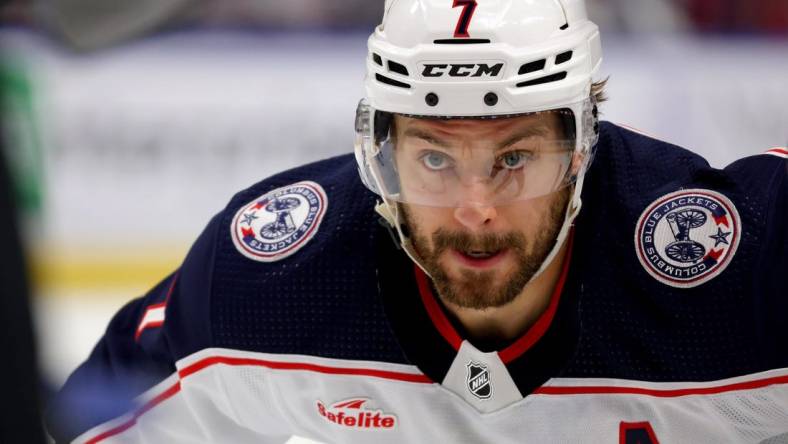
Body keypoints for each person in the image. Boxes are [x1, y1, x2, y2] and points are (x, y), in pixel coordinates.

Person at [47, 0, 788, 442]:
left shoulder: (747, 268)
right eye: (433, 159)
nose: (475, 208)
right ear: (382, 149)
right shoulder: (268, 283)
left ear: (583, 144)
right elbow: (90, 419)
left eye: (515, 156)